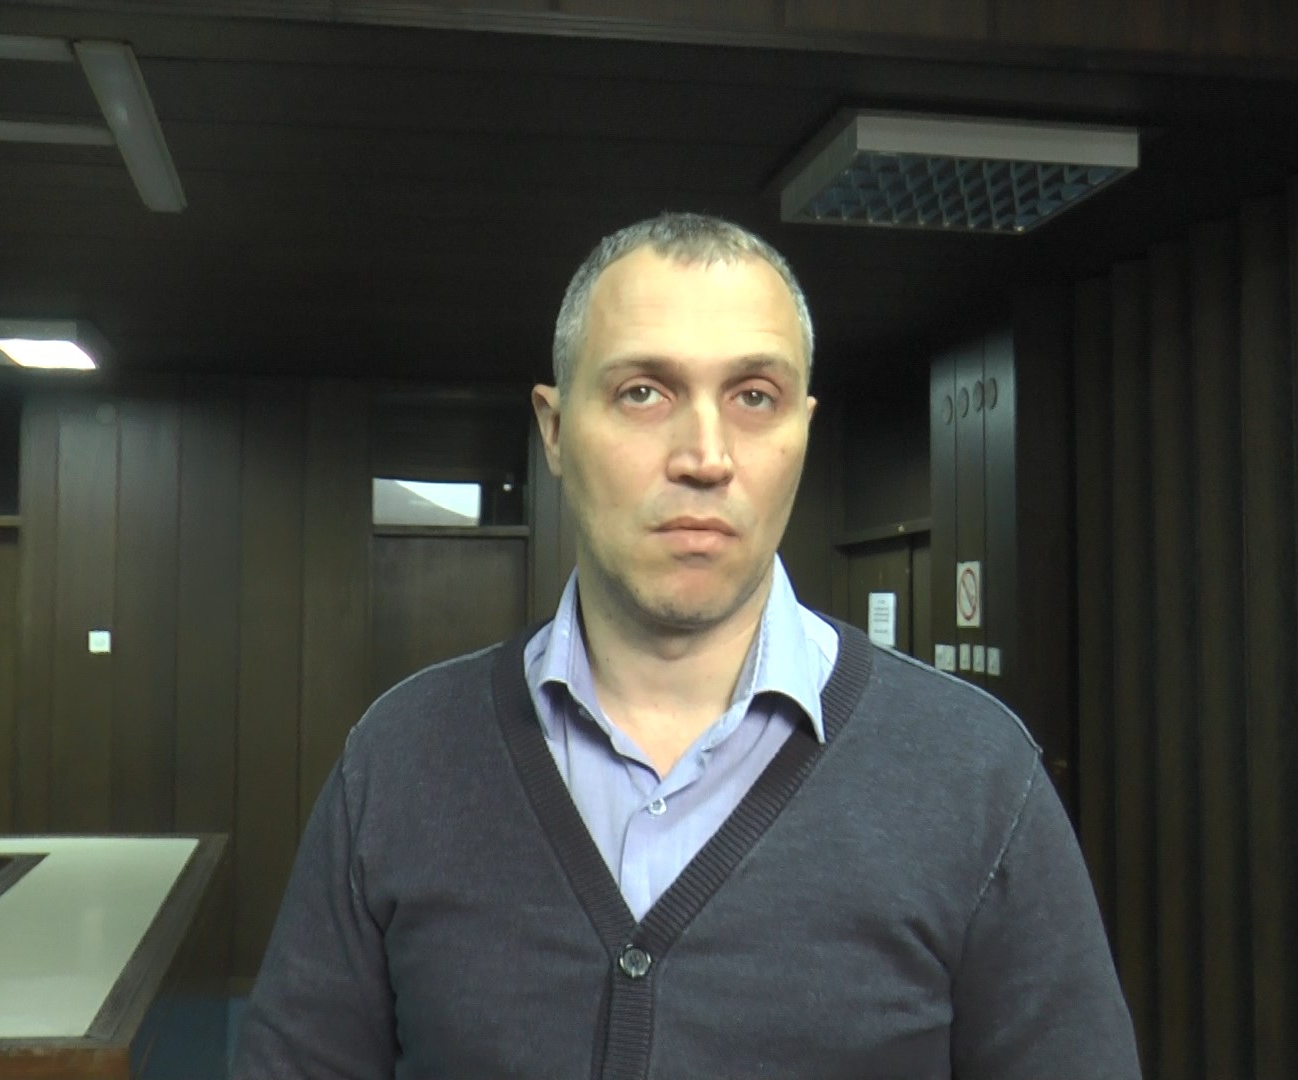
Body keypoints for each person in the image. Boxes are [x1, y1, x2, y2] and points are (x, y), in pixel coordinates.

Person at [235, 213, 1139, 1079]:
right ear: (554, 429)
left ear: (803, 431)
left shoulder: (977, 777)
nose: (705, 456)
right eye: (644, 392)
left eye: (754, 397)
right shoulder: (397, 760)